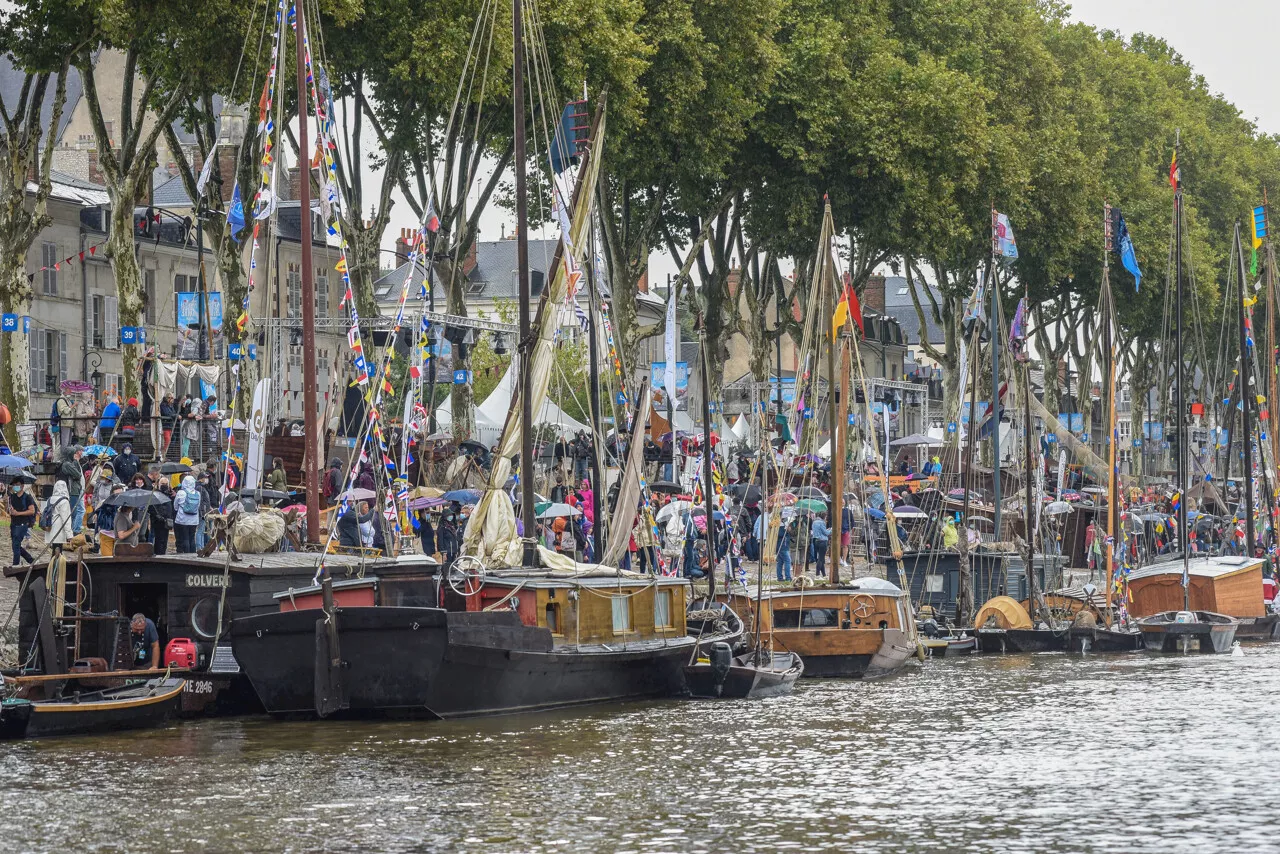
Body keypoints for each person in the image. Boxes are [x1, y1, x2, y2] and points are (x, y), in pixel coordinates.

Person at [56, 445, 86, 534]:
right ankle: (71, 531)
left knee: (74, 512)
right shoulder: (67, 464)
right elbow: (78, 474)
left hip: (74, 490)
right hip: (72, 491)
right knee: (73, 513)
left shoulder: (70, 463)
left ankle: (71, 531)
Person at [6, 482, 36, 565]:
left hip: (23, 523)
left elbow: (32, 511)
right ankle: (31, 560)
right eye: (14, 485)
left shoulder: (27, 497)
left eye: (17, 484)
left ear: (22, 486)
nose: (15, 486)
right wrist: (9, 508)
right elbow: (8, 510)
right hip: (14, 523)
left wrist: (18, 513)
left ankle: (15, 564)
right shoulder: (12, 497)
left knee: (16, 545)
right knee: (16, 545)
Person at [173, 475, 202, 553]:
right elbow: (198, 506)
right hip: (194, 520)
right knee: (192, 538)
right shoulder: (198, 494)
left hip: (182, 519)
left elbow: (175, 506)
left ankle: (186, 555)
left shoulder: (180, 493)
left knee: (185, 537)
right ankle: (193, 554)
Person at [45, 480, 73, 553]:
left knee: (55, 551)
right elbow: (66, 519)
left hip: (50, 526)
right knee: (58, 552)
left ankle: (54, 564)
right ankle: (55, 564)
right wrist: (69, 535)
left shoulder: (49, 499)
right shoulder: (64, 501)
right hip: (59, 528)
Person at [150, 482, 175, 555]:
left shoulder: (170, 495)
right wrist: (159, 517)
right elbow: (153, 509)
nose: (164, 485)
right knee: (159, 539)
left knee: (164, 539)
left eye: (166, 483)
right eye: (162, 483)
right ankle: (158, 553)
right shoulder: (155, 495)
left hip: (167, 521)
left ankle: (163, 553)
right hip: (158, 521)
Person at [811, 510, 831, 577]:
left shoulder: (814, 522)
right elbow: (826, 533)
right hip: (822, 541)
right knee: (821, 558)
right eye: (826, 517)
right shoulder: (822, 522)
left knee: (820, 558)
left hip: (816, 541)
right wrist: (831, 529)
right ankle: (817, 574)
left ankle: (824, 574)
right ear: (824, 516)